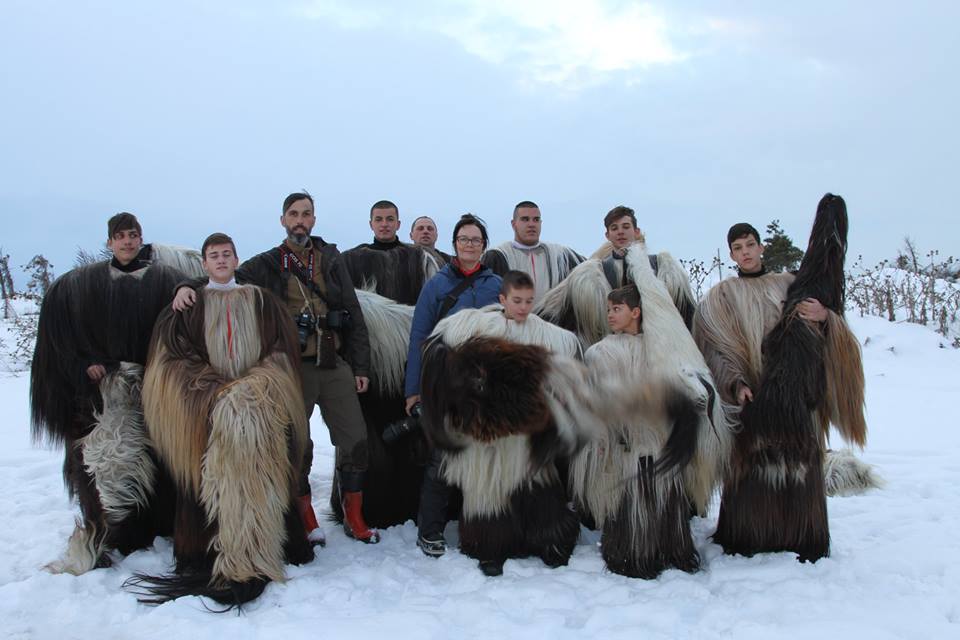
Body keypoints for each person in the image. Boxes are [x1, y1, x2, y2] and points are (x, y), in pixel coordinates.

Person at [172, 192, 379, 544]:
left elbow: (354, 313)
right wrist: (185, 286)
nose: (301, 220)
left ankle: (353, 515)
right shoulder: (268, 262)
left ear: (314, 219)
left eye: (307, 214)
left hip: (333, 361)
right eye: (294, 214)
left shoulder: (331, 258)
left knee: (355, 440)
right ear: (283, 220)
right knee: (296, 445)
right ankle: (306, 517)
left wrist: (360, 365)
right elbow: (225, 276)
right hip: (290, 368)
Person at [134, 233, 313, 606]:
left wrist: (253, 387)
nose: (220, 260)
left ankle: (268, 541)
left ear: (235, 259)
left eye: (226, 254)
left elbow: (281, 352)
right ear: (204, 264)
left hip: (259, 408)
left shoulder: (263, 302)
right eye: (213, 255)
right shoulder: (184, 306)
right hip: (204, 410)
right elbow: (172, 357)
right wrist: (215, 392)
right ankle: (205, 548)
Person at [694, 209, 877, 561]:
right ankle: (749, 537)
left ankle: (802, 537)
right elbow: (713, 348)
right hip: (752, 398)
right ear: (730, 255)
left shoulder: (788, 284)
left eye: (750, 244)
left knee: (799, 466)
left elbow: (822, 326)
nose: (745, 252)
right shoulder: (719, 297)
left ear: (761, 247)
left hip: (797, 398)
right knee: (752, 470)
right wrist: (735, 384)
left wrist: (826, 317)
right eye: (737, 247)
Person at [31, 213, 200, 575]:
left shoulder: (168, 280)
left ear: (141, 239)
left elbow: (188, 308)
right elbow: (64, 344)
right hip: (106, 394)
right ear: (110, 242)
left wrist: (186, 286)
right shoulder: (79, 287)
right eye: (120, 236)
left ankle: (163, 526)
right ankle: (113, 531)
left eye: (133, 235)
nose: (127, 242)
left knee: (165, 459)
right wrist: (86, 365)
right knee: (106, 463)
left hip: (154, 388)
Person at [569, 244, 729, 579]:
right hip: (623, 448)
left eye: (617, 309)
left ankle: (672, 550)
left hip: (660, 445)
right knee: (627, 507)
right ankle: (630, 556)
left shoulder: (663, 349)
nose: (610, 315)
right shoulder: (598, 353)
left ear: (636, 312)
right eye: (608, 309)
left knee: (666, 503)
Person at [417, 269, 588, 575]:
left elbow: (572, 359)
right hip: (487, 433)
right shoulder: (475, 325)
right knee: (488, 493)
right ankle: (489, 548)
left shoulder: (549, 334)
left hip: (527, 432)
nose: (523, 307)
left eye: (528, 301)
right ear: (502, 299)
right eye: (517, 301)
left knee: (537, 487)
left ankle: (549, 541)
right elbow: (435, 344)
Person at [404, 214, 502, 557]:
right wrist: (413, 389)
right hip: (445, 380)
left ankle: (479, 528)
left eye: (476, 240)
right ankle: (429, 530)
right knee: (442, 459)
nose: (470, 245)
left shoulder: (497, 285)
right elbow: (419, 336)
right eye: (464, 240)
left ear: (484, 246)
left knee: (485, 457)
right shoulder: (437, 285)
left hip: (485, 384)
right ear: (454, 244)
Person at [535, 205, 695, 346]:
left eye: (626, 227)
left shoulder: (662, 267)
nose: (620, 232)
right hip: (613, 355)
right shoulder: (591, 276)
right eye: (614, 228)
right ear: (607, 235)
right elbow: (559, 316)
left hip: (659, 350)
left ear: (636, 231)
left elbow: (687, 316)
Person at [481, 200, 584, 303]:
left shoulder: (560, 256)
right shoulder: (497, 256)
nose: (531, 224)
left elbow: (591, 267)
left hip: (550, 319)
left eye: (536, 220)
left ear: (541, 223)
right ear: (513, 224)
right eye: (525, 219)